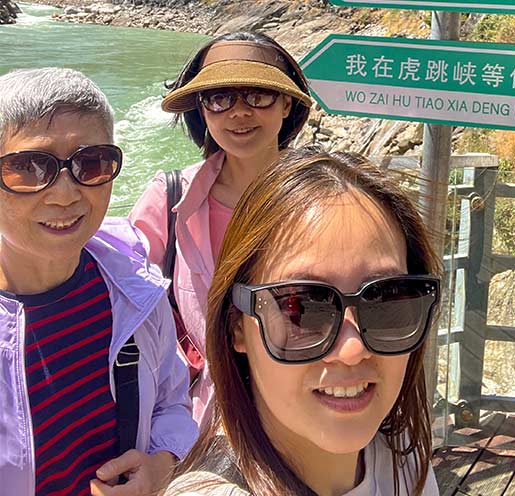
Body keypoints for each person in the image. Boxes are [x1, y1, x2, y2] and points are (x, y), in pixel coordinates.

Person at [164, 147, 442, 496]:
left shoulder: (402, 455)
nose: (353, 349)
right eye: (302, 309)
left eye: (386, 300)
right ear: (238, 326)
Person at [0, 67, 198, 496]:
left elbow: (171, 399)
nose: (66, 193)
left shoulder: (134, 289)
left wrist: (161, 463)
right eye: (31, 167)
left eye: (91, 164)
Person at [129, 31, 312, 427]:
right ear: (202, 110)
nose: (239, 112)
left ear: (286, 104)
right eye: (220, 98)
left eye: (258, 95)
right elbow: (125, 301)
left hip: (306, 406)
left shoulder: (323, 200)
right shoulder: (169, 200)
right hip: (197, 417)